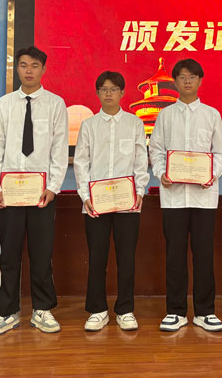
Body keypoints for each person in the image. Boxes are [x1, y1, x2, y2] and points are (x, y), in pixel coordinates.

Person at [0, 46, 69, 336]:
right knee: (9, 255)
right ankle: (7, 312)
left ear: (43, 69)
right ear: (17, 68)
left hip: (42, 194)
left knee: (42, 253)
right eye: (23, 65)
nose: (29, 70)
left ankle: (42, 310)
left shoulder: (55, 104)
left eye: (34, 65)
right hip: (9, 194)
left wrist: (53, 187)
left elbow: (59, 149)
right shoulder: (4, 104)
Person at [149, 58, 222, 332]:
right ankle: (175, 311)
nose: (187, 81)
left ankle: (205, 312)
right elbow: (156, 150)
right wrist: (161, 172)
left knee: (204, 254)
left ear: (200, 81)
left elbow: (221, 153)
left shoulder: (211, 114)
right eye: (182, 77)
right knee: (174, 255)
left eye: (192, 77)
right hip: (173, 197)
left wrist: (211, 174)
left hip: (203, 197)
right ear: (174, 81)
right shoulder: (165, 115)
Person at [74, 71, 150, 332]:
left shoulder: (134, 123)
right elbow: (81, 163)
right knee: (97, 257)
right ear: (97, 93)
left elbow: (141, 161)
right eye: (104, 89)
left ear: (122, 93)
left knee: (126, 258)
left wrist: (139, 192)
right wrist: (85, 196)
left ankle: (125, 309)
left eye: (114, 89)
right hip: (96, 202)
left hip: (128, 202)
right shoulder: (89, 125)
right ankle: (97, 310)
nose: (109, 93)